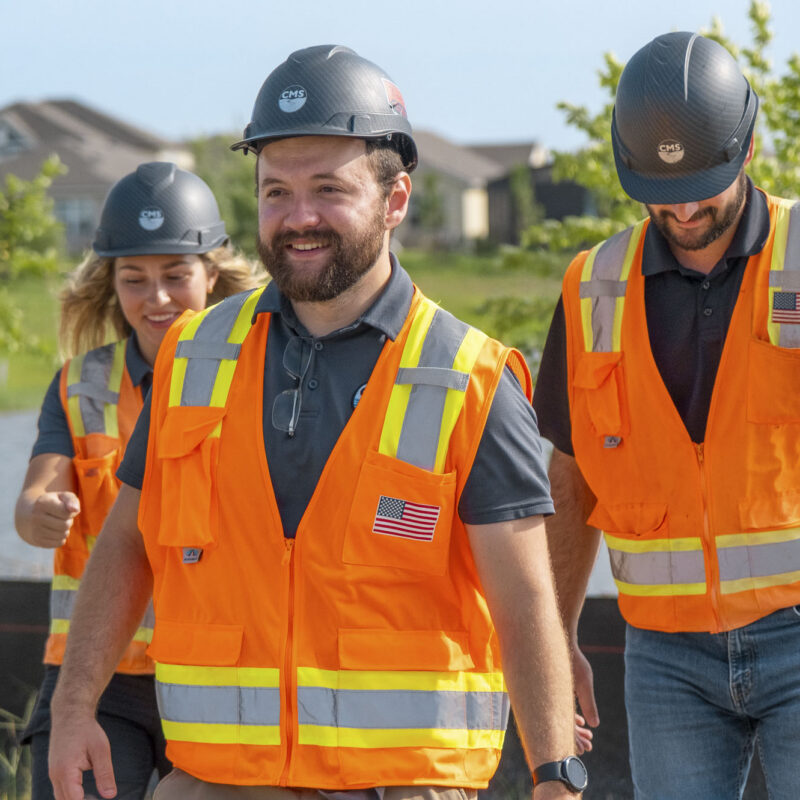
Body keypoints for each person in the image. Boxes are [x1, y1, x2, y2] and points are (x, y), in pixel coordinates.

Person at [46, 45, 587, 800]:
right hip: (215, 781)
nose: (299, 218)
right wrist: (73, 708)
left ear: (396, 200)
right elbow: (129, 541)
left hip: (401, 785)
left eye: (328, 189)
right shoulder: (194, 355)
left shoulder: (472, 378)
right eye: (276, 192)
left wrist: (555, 775)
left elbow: (525, 604)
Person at [533, 31, 800, 800]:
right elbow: (571, 476)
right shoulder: (591, 289)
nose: (682, 208)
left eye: (702, 185)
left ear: (747, 148)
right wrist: (557, 640)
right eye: (658, 187)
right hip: (665, 660)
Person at [15, 161, 262, 800]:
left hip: (214, 670)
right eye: (135, 280)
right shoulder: (78, 385)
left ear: (213, 275)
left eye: (176, 276)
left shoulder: (254, 380)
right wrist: (41, 513)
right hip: (94, 678)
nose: (156, 298)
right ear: (111, 285)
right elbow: (33, 500)